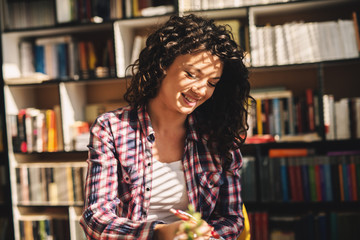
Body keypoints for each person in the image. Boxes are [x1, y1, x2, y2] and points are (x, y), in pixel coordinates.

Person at [80, 14, 251, 240]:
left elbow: (232, 218)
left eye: (211, 83)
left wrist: (202, 235)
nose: (201, 90)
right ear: (162, 65)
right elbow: (96, 218)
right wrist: (160, 233)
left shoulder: (218, 136)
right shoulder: (112, 128)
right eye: (191, 74)